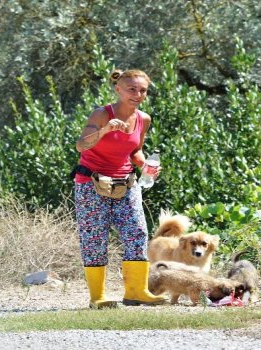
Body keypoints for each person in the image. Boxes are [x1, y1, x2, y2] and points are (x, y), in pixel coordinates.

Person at [72, 69, 166, 308]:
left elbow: (135, 151)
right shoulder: (102, 114)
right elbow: (81, 146)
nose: (137, 94)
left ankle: (136, 292)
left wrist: (146, 165)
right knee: (95, 238)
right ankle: (97, 298)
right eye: (131, 89)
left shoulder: (143, 119)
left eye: (142, 90)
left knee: (137, 232)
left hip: (126, 183)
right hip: (91, 183)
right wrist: (105, 131)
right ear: (118, 89)